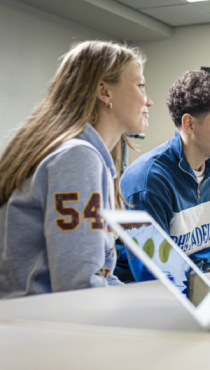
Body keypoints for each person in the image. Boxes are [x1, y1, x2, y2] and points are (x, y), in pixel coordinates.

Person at [0, 41, 152, 299]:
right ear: (104, 92)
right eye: (140, 86)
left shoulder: (86, 156)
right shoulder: (77, 157)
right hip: (43, 325)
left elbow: (100, 275)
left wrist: (144, 303)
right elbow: (79, 286)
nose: (148, 100)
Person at [117, 70, 210, 282]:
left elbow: (199, 257)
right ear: (189, 124)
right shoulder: (149, 179)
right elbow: (152, 276)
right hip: (139, 295)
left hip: (188, 286)